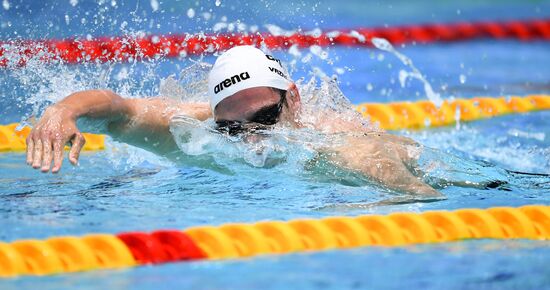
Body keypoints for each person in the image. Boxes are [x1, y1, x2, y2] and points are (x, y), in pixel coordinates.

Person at [26, 45, 445, 200]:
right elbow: (121, 108)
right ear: (214, 117)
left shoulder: (343, 146)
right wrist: (62, 112)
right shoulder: (192, 131)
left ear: (293, 99)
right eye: (232, 128)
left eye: (266, 117)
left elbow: (422, 197)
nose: (254, 139)